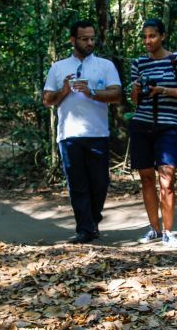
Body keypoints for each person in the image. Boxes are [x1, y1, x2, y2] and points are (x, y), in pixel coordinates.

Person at [43, 20, 122, 243]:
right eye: (84, 39)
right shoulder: (58, 67)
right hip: (69, 135)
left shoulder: (105, 66)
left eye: (92, 38)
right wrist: (64, 91)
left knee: (99, 183)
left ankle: (92, 219)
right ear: (73, 40)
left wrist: (92, 92)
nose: (89, 43)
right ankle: (85, 229)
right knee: (77, 185)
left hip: (97, 133)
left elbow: (116, 95)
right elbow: (47, 100)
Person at [129, 19, 177, 248]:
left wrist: (162, 90)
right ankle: (154, 229)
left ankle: (169, 231)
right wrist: (136, 89)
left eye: (153, 36)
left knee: (167, 179)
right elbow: (135, 101)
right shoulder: (138, 63)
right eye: (145, 36)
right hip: (142, 125)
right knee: (147, 178)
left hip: (168, 125)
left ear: (163, 36)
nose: (148, 41)